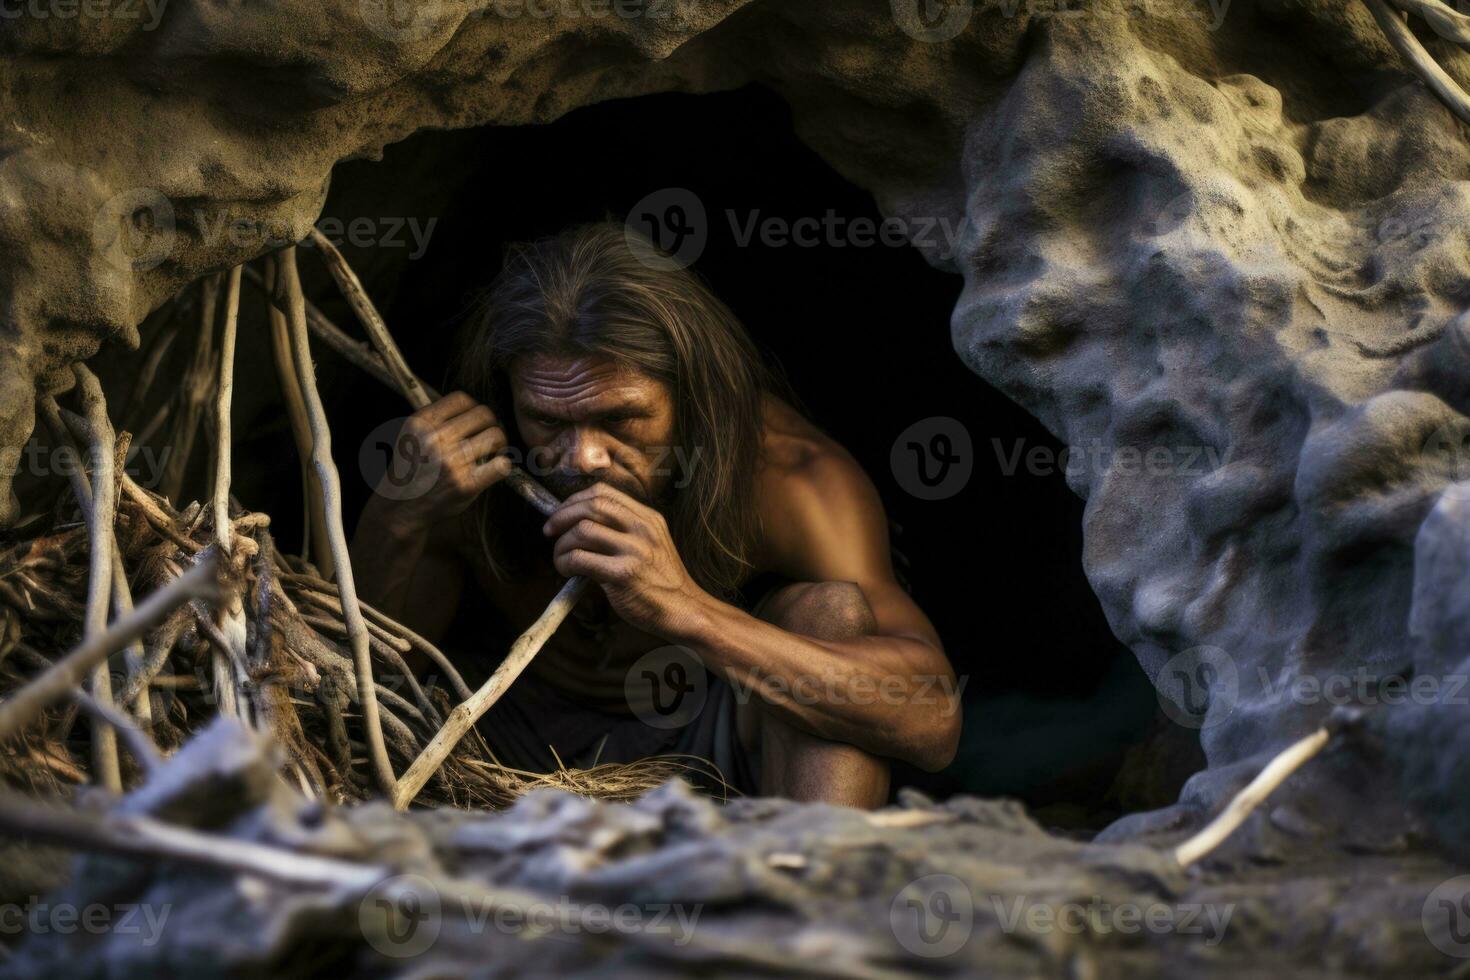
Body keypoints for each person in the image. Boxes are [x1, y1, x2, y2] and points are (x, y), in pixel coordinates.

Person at [350, 221, 959, 808]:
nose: (582, 457)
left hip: (708, 751)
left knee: (828, 615)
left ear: (691, 397)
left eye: (619, 419)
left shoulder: (787, 478)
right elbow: (368, 691)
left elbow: (930, 720)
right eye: (549, 419)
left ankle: (803, 899)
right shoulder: (467, 467)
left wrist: (687, 609)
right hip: (492, 738)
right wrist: (396, 517)